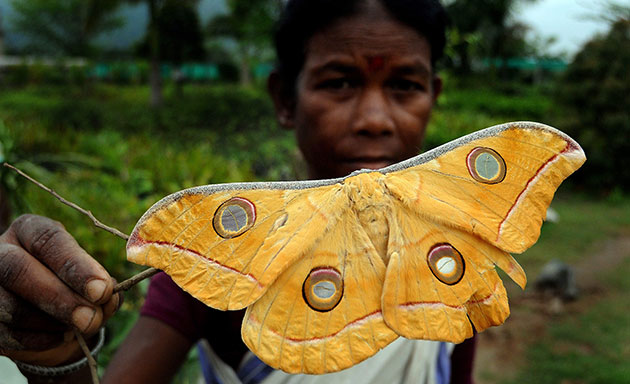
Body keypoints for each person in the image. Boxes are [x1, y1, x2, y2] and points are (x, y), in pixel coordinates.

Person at [0, 0, 476, 382]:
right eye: (340, 82)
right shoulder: (226, 251)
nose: (374, 119)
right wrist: (57, 355)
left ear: (432, 96)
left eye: (405, 86)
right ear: (285, 101)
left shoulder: (460, 248)